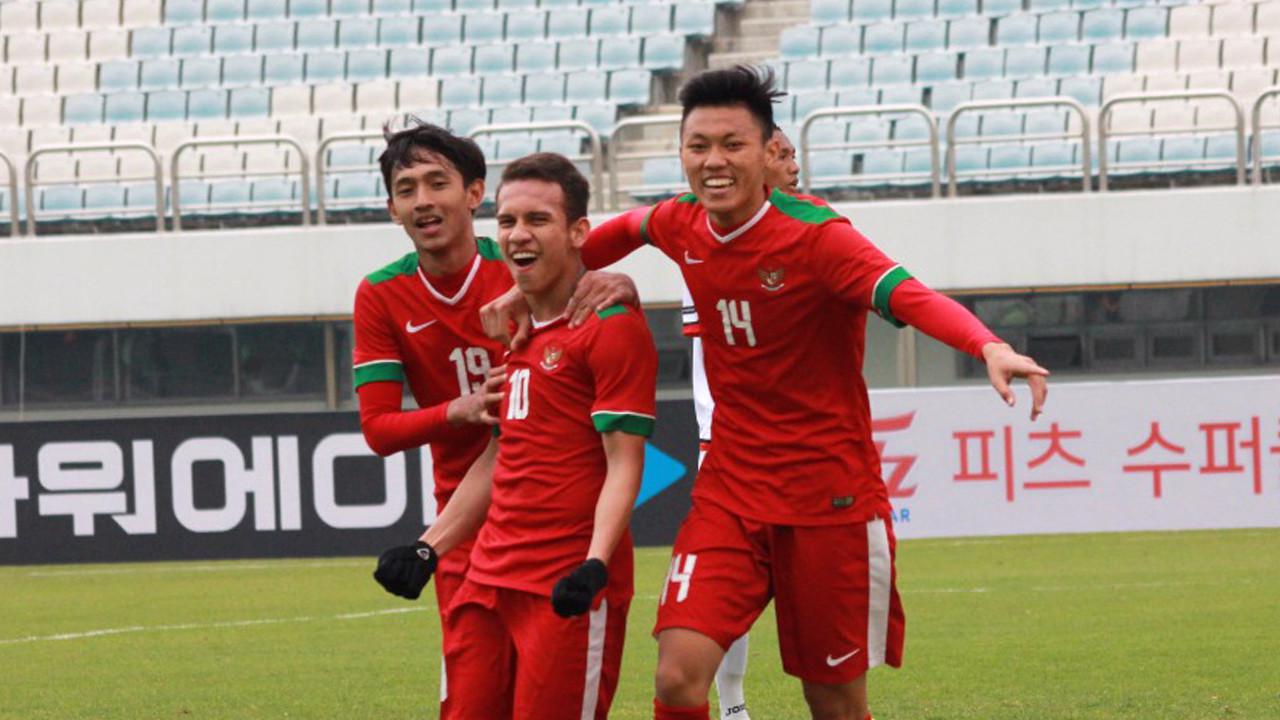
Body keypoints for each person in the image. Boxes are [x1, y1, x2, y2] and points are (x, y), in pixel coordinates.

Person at [483, 65, 1049, 720]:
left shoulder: (817, 239)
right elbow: (611, 234)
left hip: (829, 503)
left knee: (833, 702)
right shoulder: (681, 222)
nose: (713, 161)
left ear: (766, 151)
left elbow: (907, 294)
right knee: (676, 677)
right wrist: (532, 286)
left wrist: (989, 345)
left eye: (732, 144)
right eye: (698, 146)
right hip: (732, 493)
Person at [355, 122, 636, 718]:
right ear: (392, 209)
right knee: (471, 704)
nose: (424, 200)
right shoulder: (382, 294)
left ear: (474, 193)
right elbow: (379, 429)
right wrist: (458, 411)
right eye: (407, 189)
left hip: (556, 522)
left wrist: (620, 280)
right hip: (467, 529)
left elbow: (578, 247)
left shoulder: (520, 273)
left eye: (438, 182)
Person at [689, 122, 801, 720]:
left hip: (803, 450)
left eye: (792, 155)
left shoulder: (813, 233)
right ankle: (731, 705)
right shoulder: (712, 241)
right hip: (728, 447)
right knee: (728, 592)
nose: (792, 165)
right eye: (781, 152)